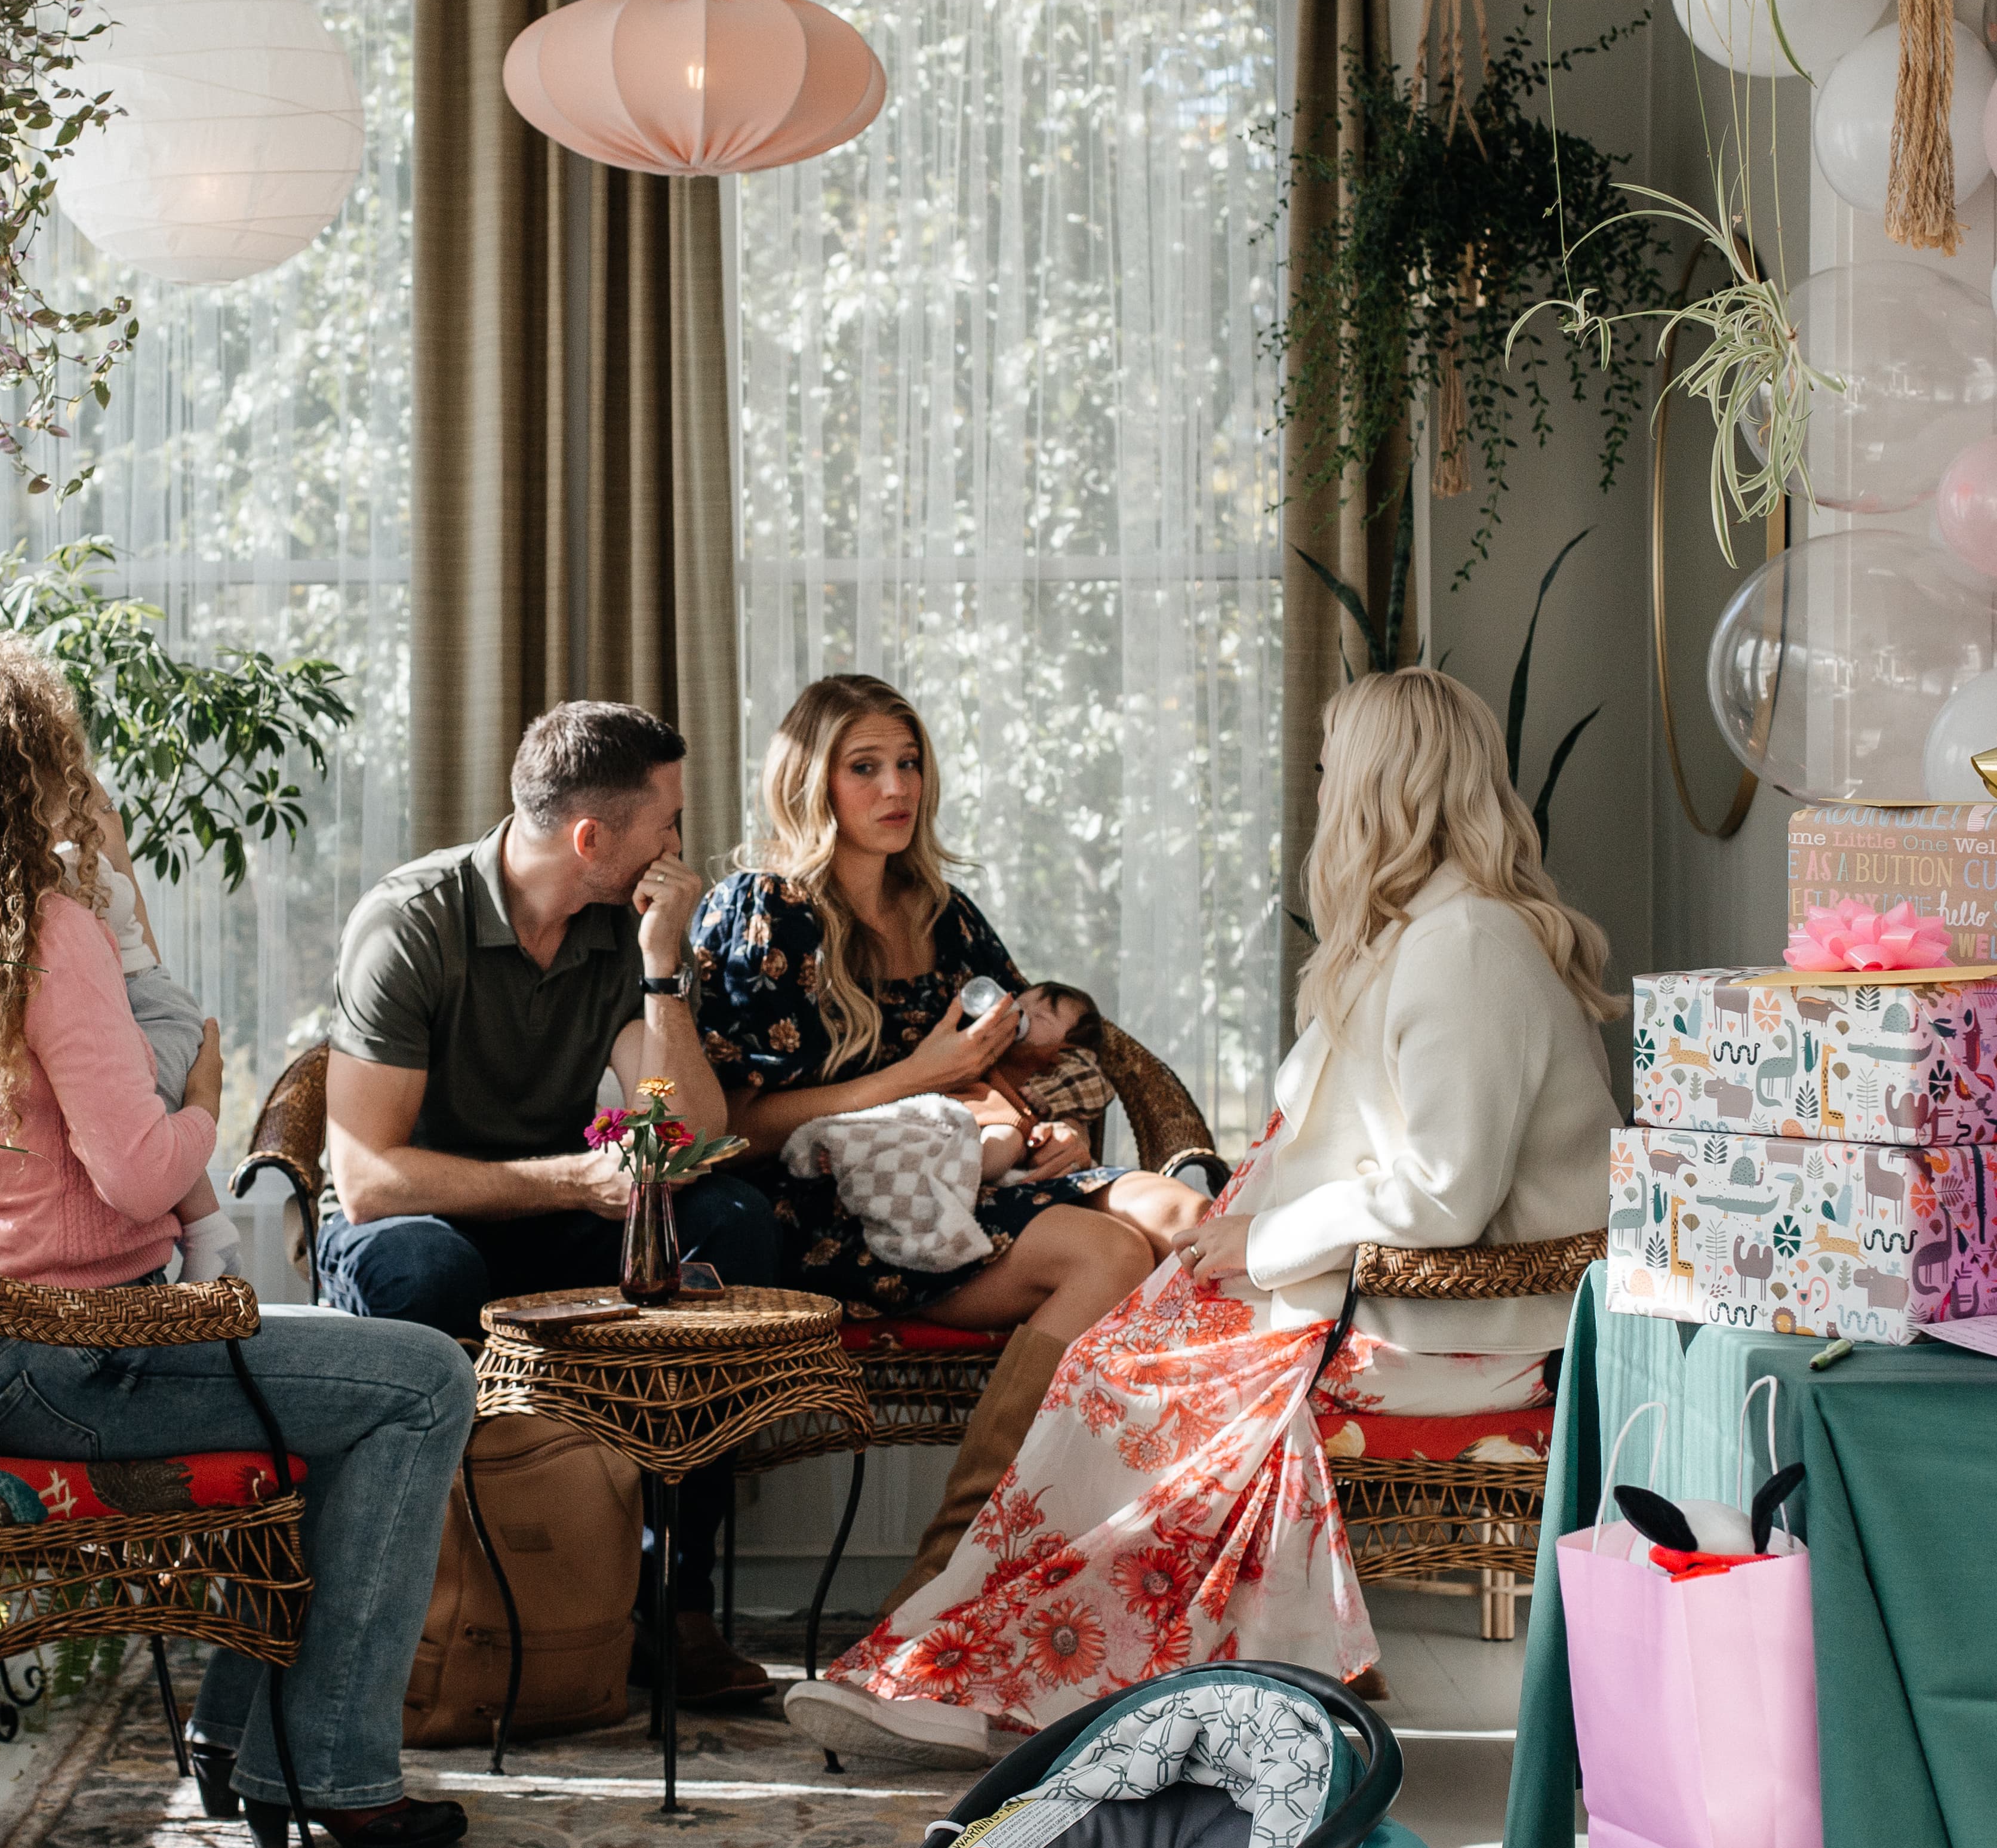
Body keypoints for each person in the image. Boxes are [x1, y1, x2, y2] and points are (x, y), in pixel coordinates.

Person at [784, 666, 1623, 1766]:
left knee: (1136, 1385)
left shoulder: (1468, 946)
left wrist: (1261, 1242)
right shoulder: (1412, 935)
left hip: (1479, 1329)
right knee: (1116, 1358)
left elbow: (1444, 1191)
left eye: (1333, 771)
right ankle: (957, 1654)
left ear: (1383, 781)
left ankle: (1007, 1681)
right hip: (1372, 1294)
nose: (1324, 791)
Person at [0, 636, 475, 1848]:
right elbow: (140, 1167)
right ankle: (333, 1771)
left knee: (349, 1392)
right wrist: (202, 1092)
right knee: (425, 1383)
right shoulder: (44, 924)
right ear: (30, 761)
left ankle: (248, 1740)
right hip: (76, 1361)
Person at [691, 675, 1209, 1613]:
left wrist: (1049, 1126)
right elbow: (727, 1128)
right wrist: (922, 1077)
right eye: (865, 768)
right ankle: (948, 1584)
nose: (897, 789)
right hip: (842, 1211)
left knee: (1191, 1217)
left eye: (909, 763)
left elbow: (1010, 1068)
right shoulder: (763, 910)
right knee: (1109, 1251)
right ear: (811, 783)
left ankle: (1195, 1561)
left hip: (983, 1174)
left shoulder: (945, 912)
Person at [315, 700, 783, 1705]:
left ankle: (673, 1597)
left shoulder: (620, 931)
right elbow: (366, 1177)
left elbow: (692, 1135)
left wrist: (665, 968)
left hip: (550, 1221)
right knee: (434, 1270)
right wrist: (573, 1179)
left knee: (734, 1226)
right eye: (666, 821)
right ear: (592, 837)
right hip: (409, 1228)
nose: (677, 845)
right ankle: (443, 1607)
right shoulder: (412, 923)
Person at [58, 801, 242, 1280]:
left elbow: (100, 895)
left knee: (141, 1124)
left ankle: (206, 1230)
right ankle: (211, 1230)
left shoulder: (76, 865)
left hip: (149, 1007)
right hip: (134, 1000)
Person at [952, 982, 1116, 1185]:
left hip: (1008, 1125)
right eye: (1020, 1005)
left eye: (1041, 1018)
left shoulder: (1059, 1058)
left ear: (1070, 1043)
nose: (1021, 1015)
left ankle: (954, 1176)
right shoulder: (991, 1043)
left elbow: (1095, 1086)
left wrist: (1048, 1092)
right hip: (962, 1108)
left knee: (1006, 1140)